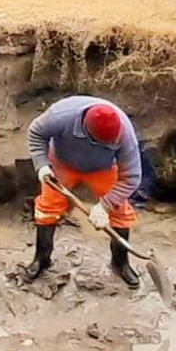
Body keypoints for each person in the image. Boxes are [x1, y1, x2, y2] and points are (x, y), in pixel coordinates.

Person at [24, 96, 142, 288]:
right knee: (47, 210)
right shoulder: (60, 115)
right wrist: (42, 165)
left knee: (120, 213)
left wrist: (105, 206)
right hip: (62, 162)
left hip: (103, 169)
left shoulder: (125, 134)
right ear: (88, 133)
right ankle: (42, 259)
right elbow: (36, 132)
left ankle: (121, 263)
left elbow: (131, 178)